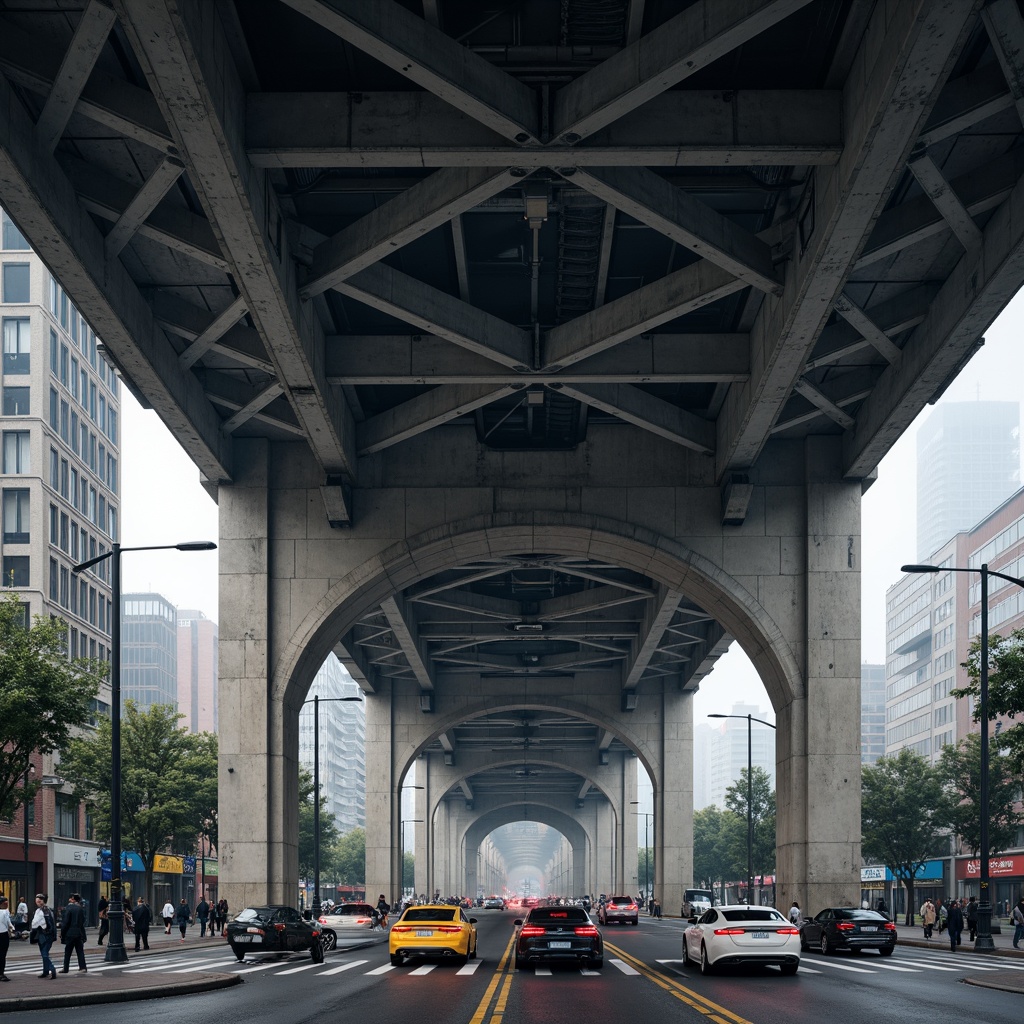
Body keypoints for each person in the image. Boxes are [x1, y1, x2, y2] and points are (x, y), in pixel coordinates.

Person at [31, 893, 57, 980]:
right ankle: (46, 971)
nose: (37, 902)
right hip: (48, 934)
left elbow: (35, 924)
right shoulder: (48, 910)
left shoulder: (42, 911)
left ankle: (52, 968)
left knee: (44, 953)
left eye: (38, 901)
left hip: (44, 934)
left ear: (42, 901)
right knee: (44, 953)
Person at [59, 892, 88, 973]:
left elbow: (66, 922)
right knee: (80, 950)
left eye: (70, 898)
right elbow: (83, 921)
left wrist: (62, 932)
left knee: (68, 951)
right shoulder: (81, 908)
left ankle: (65, 968)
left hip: (70, 933)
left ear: (73, 899)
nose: (69, 900)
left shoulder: (68, 908)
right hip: (79, 932)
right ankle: (83, 967)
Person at [0, 895, 13, 982]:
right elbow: (8, 923)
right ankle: (1, 973)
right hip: (3, 934)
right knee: (2, 954)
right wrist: (11, 929)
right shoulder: (5, 912)